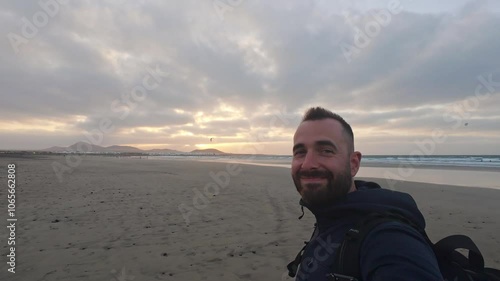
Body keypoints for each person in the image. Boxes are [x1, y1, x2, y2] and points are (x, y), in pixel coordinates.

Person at [290, 107, 443, 281]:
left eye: (326, 150)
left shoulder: (389, 239)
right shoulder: (331, 216)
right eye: (300, 152)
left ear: (353, 164)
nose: (308, 164)